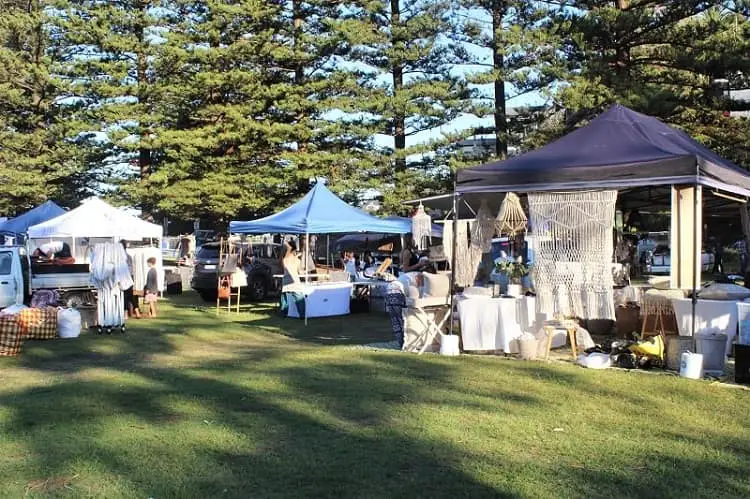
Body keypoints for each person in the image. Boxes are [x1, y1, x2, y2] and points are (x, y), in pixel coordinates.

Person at [280, 240, 305, 318]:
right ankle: (302, 315)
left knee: (284, 299)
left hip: (286, 280)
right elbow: (300, 272)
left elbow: (283, 264)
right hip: (294, 281)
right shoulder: (297, 260)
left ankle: (283, 314)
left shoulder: (285, 260)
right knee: (300, 299)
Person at [120, 240, 141, 319]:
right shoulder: (129, 256)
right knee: (130, 295)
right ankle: (137, 311)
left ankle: (125, 313)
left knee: (125, 296)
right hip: (130, 277)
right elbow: (131, 268)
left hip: (124, 277)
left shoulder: (121, 257)